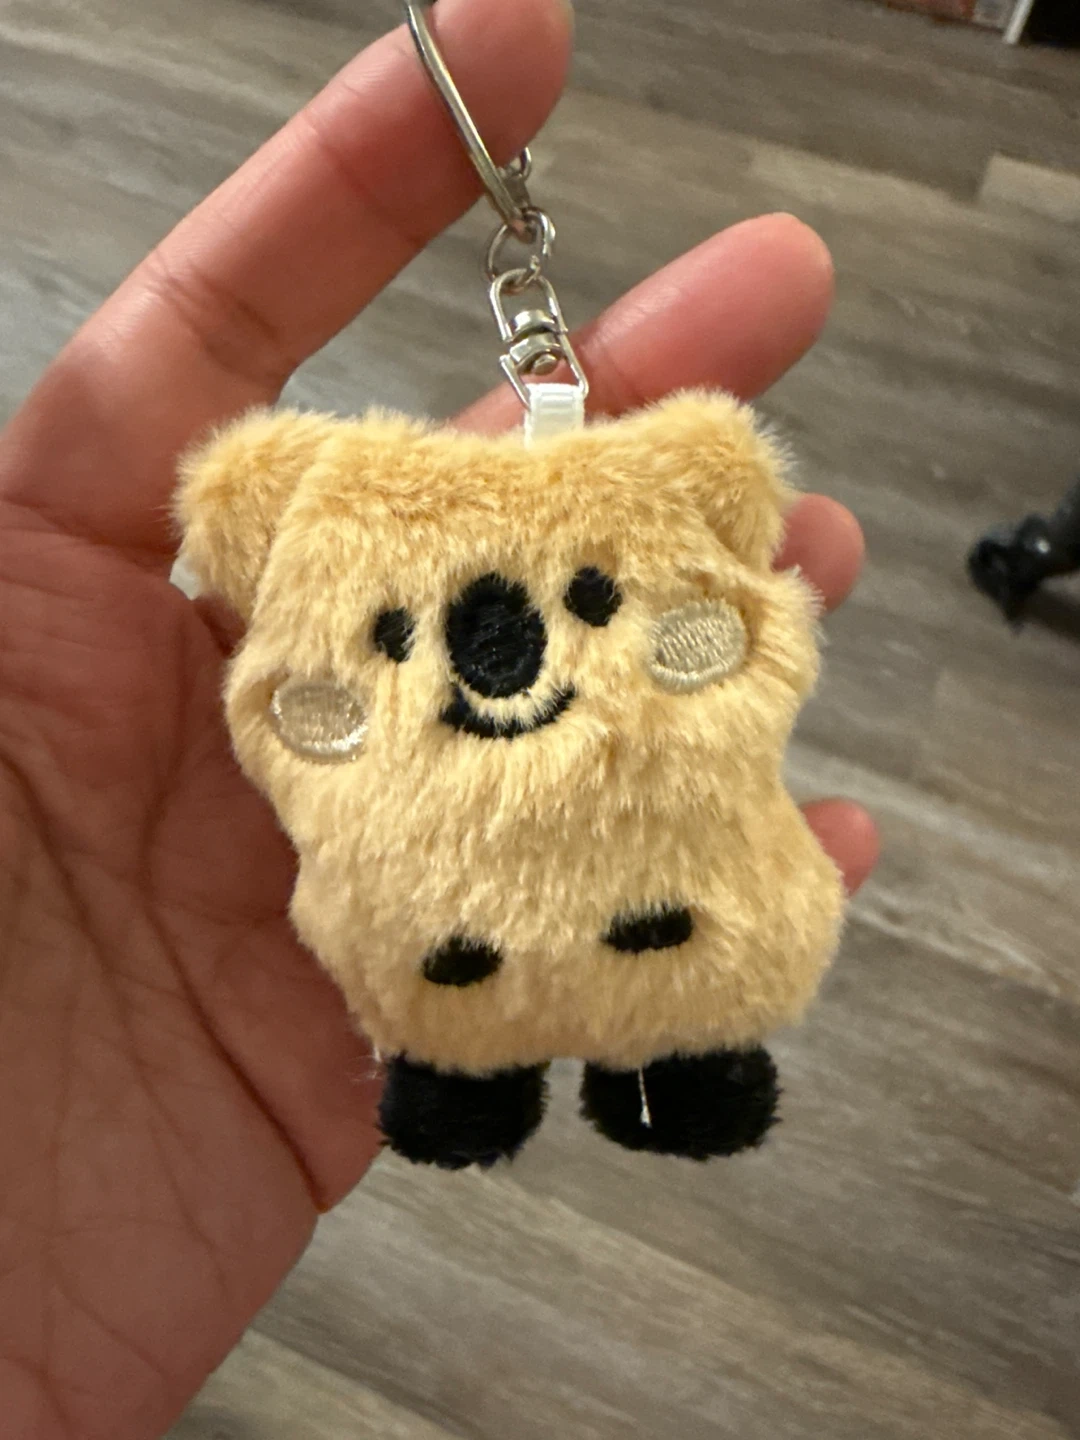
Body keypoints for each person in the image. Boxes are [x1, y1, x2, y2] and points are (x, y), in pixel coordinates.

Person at [0, 0, 879, 1435]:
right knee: (488, 982)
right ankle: (532, 1068)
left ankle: (638, 1059)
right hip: (432, 949)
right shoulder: (332, 564)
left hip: (578, 928)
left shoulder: (635, 517)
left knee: (627, 962)